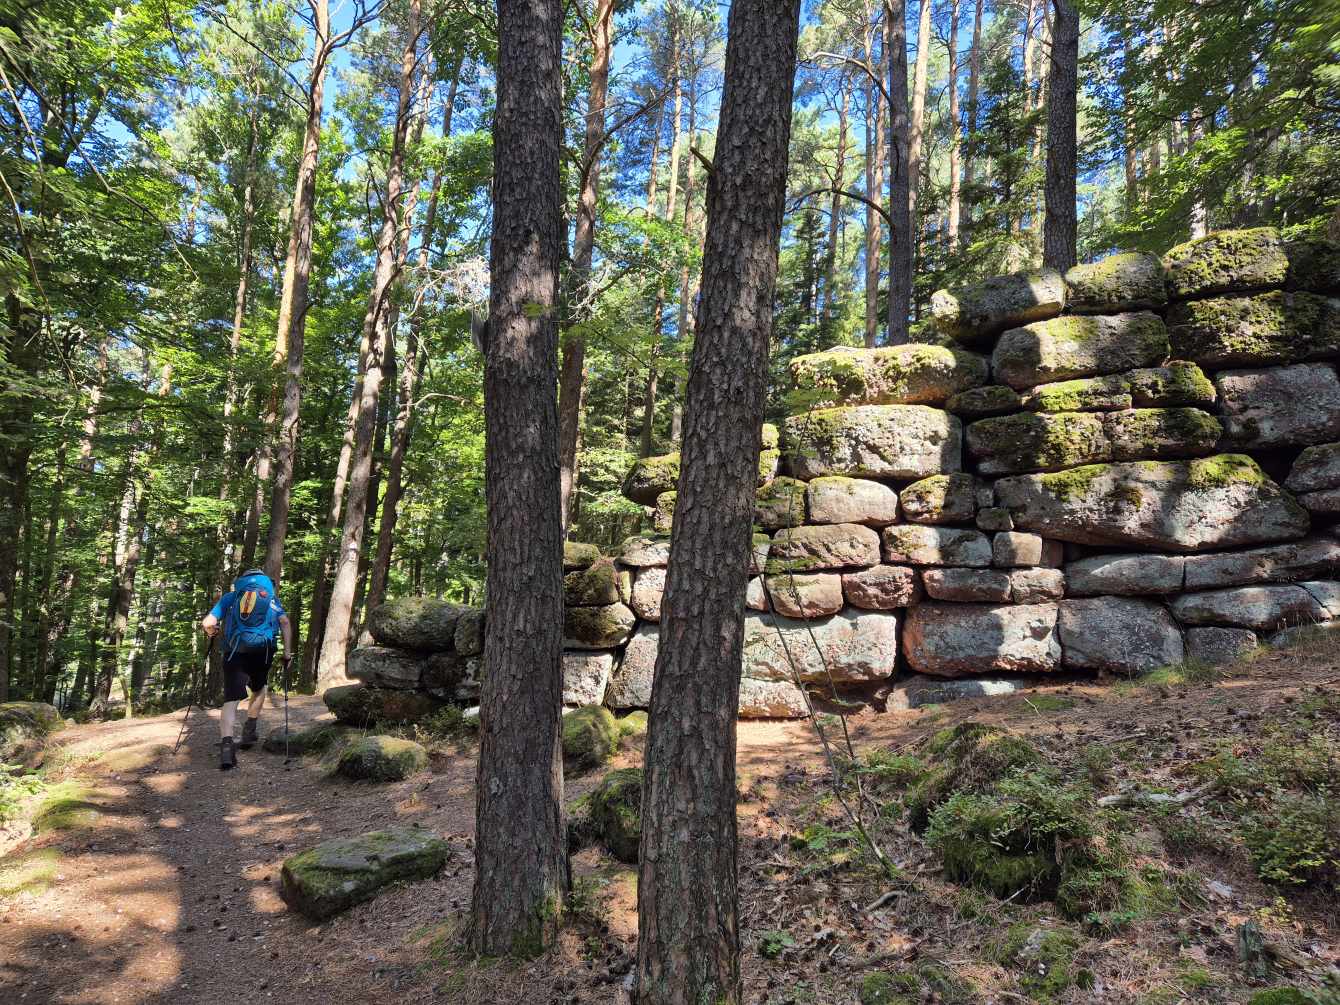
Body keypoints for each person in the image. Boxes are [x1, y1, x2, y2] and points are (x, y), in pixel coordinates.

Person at [202, 569, 294, 770]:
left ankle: (227, 748)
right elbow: (284, 622)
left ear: (241, 581)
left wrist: (212, 631)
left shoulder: (231, 597)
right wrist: (287, 653)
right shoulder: (271, 598)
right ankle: (250, 729)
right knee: (259, 688)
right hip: (263, 651)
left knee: (231, 699)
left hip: (234, 651)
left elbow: (208, 623)